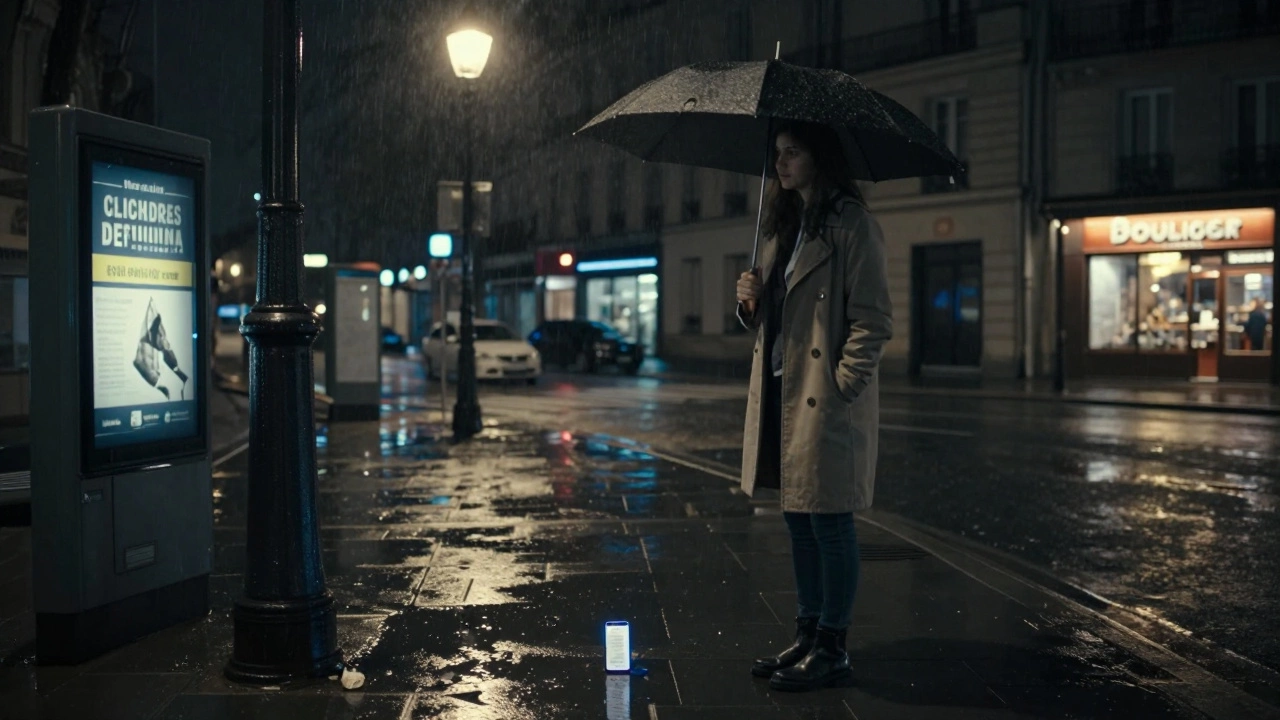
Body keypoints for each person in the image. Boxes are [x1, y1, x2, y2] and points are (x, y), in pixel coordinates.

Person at [734, 121, 892, 692]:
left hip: (821, 395)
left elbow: (873, 320)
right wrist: (749, 303)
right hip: (783, 388)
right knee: (798, 517)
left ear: (819, 158)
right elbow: (775, 315)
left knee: (830, 520)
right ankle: (806, 633)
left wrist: (842, 384)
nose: (780, 164)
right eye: (777, 154)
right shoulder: (783, 227)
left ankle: (833, 646)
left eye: (792, 153)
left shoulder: (852, 225)